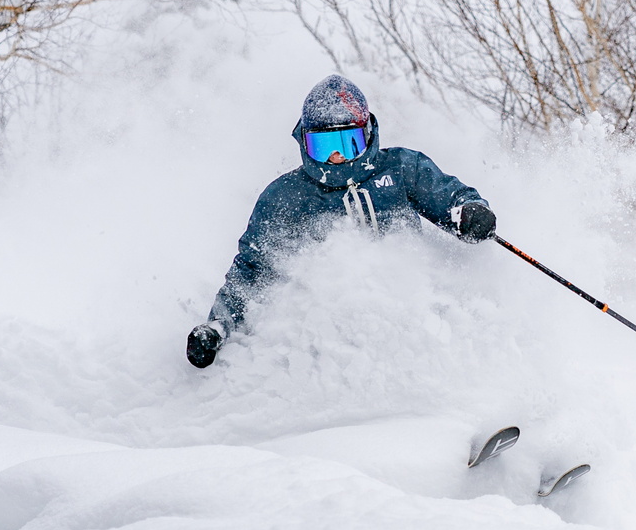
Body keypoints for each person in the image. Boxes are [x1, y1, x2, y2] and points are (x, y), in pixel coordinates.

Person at [187, 75, 497, 368]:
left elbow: (448, 197)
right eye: (323, 146)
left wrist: (469, 212)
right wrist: (217, 327)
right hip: (333, 331)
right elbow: (252, 270)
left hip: (410, 308)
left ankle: (451, 403)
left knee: (440, 317)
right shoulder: (287, 197)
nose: (336, 157)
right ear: (305, 143)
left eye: (348, 143)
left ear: (367, 134)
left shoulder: (401, 168)